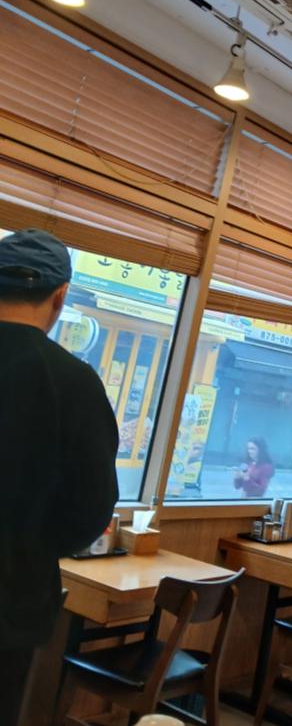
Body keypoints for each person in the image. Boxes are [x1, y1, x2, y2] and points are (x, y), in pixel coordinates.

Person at [0, 229, 119, 726]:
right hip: (12, 599)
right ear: (60, 296)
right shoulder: (74, 382)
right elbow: (92, 507)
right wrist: (31, 545)